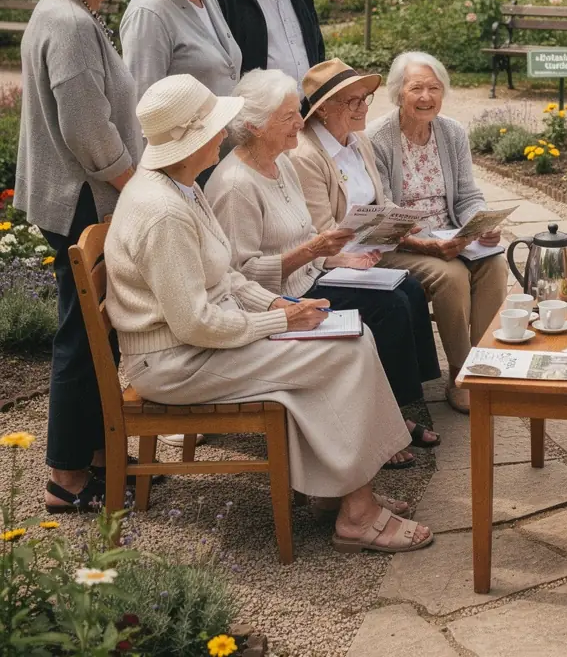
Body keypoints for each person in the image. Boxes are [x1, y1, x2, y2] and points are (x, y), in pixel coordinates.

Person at [105, 74, 432, 553]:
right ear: (192, 139)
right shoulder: (164, 211)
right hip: (176, 363)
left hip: (201, 343)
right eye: (216, 127)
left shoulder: (183, 188)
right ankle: (357, 513)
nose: (224, 134)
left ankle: (338, 491)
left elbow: (228, 278)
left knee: (348, 338)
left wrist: (278, 303)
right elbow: (193, 322)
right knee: (343, 351)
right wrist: (281, 321)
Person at [205, 68, 441, 465]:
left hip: (310, 277)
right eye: (289, 116)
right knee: (389, 308)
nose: (301, 122)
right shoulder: (235, 186)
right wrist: (312, 251)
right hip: (275, 300)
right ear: (255, 127)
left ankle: (397, 407)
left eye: (298, 111)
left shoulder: (280, 164)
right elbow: (239, 276)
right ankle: (388, 423)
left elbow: (307, 237)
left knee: (408, 289)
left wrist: (339, 256)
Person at [15, 0, 144, 513]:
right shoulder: (66, 22)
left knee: (98, 330)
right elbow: (89, 131)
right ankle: (67, 476)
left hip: (78, 195)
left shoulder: (72, 14)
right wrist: (139, 183)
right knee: (82, 333)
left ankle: (98, 454)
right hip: (82, 200)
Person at [366, 52, 507, 414]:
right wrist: (425, 245)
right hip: (401, 242)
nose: (426, 97)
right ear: (399, 93)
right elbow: (382, 214)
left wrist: (481, 224)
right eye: (416, 88)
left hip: (450, 235)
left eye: (434, 88)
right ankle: (460, 371)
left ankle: (485, 364)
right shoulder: (378, 139)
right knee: (453, 276)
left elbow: (468, 194)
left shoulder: (452, 132)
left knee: (494, 264)